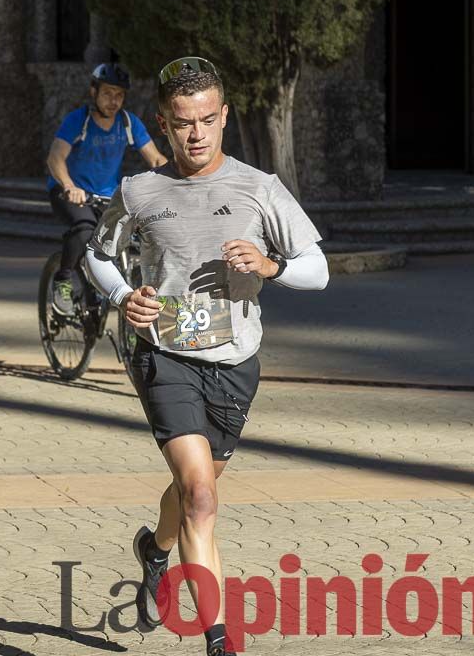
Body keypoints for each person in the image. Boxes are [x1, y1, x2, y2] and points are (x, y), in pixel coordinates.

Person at [85, 57, 329, 656]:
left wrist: (270, 265)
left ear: (224, 117)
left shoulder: (259, 187)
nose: (196, 134)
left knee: (195, 488)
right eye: (182, 123)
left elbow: (318, 270)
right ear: (163, 125)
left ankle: (155, 549)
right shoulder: (139, 191)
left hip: (235, 363)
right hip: (163, 355)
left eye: (206, 120)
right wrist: (123, 296)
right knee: (200, 495)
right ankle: (220, 641)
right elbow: (97, 255)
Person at [46, 62, 166, 315]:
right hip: (70, 192)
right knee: (85, 229)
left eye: (119, 95)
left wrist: (177, 182)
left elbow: (156, 159)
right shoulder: (79, 121)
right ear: (94, 92)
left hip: (108, 195)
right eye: (108, 93)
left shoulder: (128, 122)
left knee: (140, 233)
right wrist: (69, 186)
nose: (114, 101)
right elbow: (55, 158)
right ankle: (63, 279)